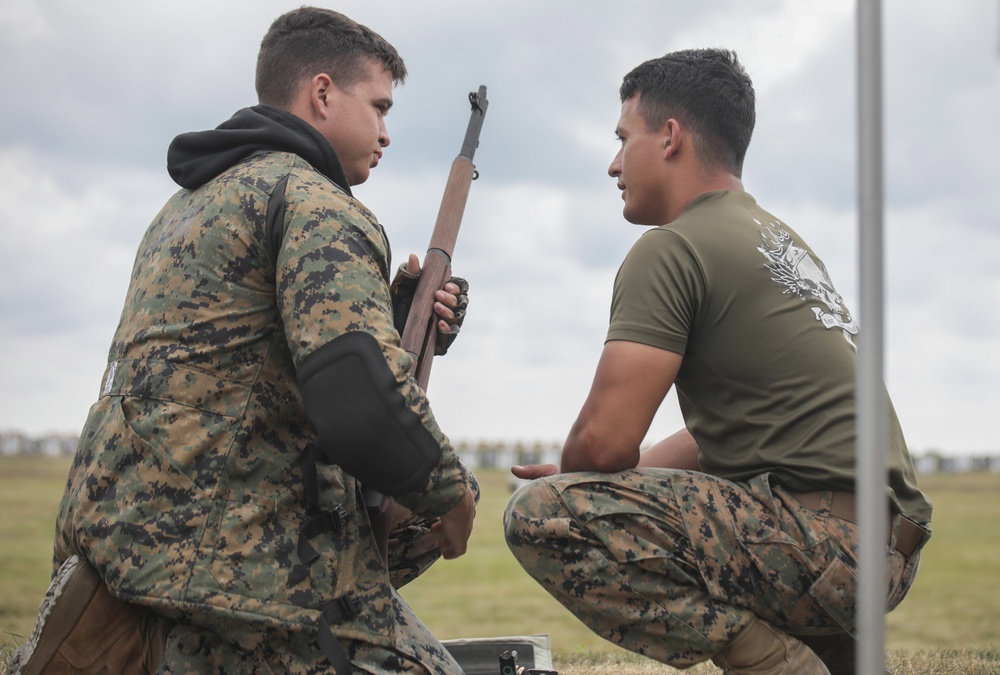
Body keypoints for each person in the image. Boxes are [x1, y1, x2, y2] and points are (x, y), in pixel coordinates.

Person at [10, 7, 477, 674]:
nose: (386, 133)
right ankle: (209, 649)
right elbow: (358, 397)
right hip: (231, 567)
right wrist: (453, 497)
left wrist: (399, 316)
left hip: (118, 547)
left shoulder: (185, 208)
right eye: (378, 107)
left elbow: (246, 362)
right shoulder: (319, 203)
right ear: (321, 94)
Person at [503, 48, 931, 675]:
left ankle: (775, 665)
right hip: (884, 547)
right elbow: (738, 430)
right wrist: (617, 478)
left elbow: (601, 447)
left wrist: (575, 487)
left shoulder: (671, 248)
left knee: (541, 516)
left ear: (670, 137)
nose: (614, 164)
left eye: (625, 139)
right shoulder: (775, 240)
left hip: (822, 545)